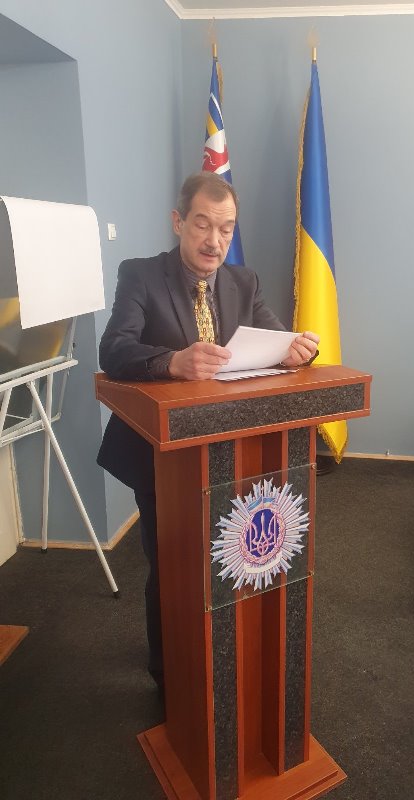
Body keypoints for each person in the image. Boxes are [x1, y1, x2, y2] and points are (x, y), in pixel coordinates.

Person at [97, 172, 319, 692]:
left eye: (225, 228)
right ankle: (169, 675)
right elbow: (114, 350)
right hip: (162, 456)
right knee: (172, 563)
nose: (214, 240)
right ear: (179, 223)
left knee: (233, 558)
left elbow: (273, 338)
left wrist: (294, 352)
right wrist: (172, 361)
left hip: (238, 454)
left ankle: (230, 660)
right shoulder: (141, 275)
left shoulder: (244, 282)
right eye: (202, 224)